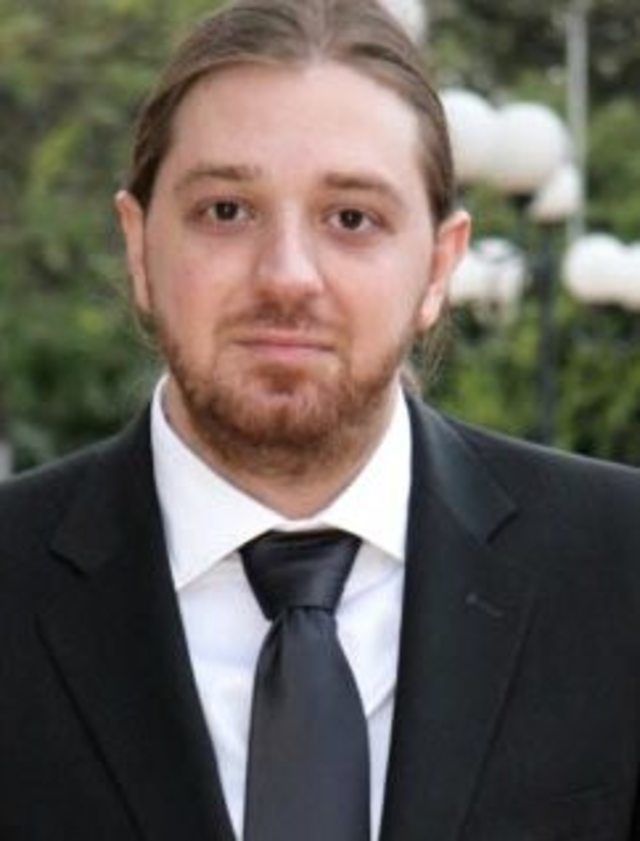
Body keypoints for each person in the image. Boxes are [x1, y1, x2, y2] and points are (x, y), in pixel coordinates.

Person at [1, 0, 640, 839]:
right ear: (139, 245)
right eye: (226, 210)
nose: (287, 276)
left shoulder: (621, 567)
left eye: (352, 218)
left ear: (439, 266)